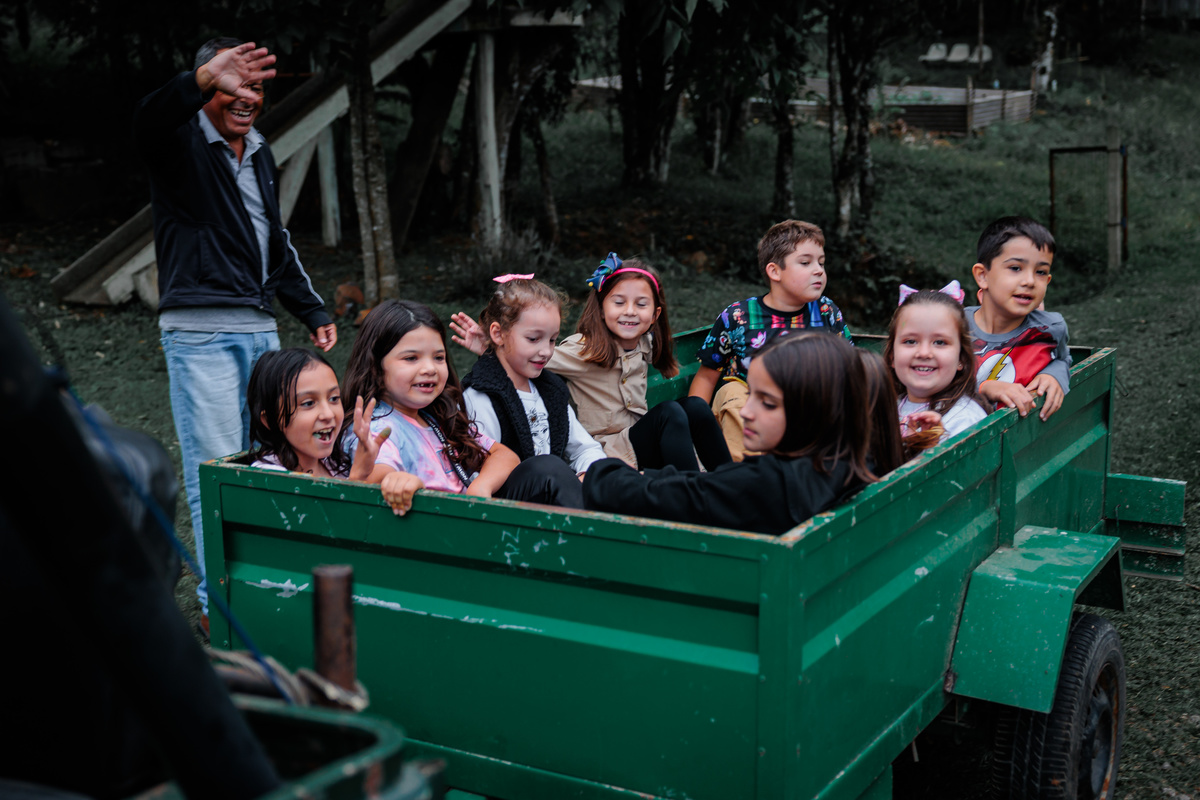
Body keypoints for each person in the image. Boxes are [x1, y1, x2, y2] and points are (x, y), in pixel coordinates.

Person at [133, 38, 337, 623]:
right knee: (219, 472)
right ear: (207, 89)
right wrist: (196, 80)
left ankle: (272, 590)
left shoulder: (261, 153)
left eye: (254, 87)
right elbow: (145, 121)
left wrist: (312, 309)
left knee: (276, 460)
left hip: (259, 330)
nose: (246, 97)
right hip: (200, 332)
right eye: (231, 85)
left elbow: (274, 240)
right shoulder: (178, 141)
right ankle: (220, 608)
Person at [584, 333, 892, 536]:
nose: (746, 411)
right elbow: (711, 485)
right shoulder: (852, 459)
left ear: (817, 410)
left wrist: (602, 473)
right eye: (750, 395)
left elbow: (681, 498)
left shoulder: (773, 484)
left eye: (767, 403)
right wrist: (650, 475)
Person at [341, 300, 580, 516]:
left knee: (547, 469)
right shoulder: (376, 427)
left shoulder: (438, 416)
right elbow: (377, 474)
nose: (430, 368)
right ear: (376, 366)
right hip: (438, 532)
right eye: (411, 358)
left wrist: (481, 486)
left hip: (470, 516)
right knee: (549, 470)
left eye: (438, 357)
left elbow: (505, 455)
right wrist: (400, 481)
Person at [535, 254, 730, 472]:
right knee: (669, 414)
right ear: (601, 308)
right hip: (610, 452)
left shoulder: (645, 343)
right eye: (619, 302)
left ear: (655, 314)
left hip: (643, 440)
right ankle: (688, 495)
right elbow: (535, 354)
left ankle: (731, 482)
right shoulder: (583, 349)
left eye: (641, 304)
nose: (630, 311)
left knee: (695, 407)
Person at [689, 220, 853, 460]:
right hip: (752, 408)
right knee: (733, 392)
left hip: (807, 408)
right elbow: (706, 375)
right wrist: (694, 428)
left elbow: (850, 368)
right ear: (774, 271)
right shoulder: (738, 316)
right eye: (806, 263)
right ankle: (740, 472)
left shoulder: (826, 311)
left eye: (821, 262)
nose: (818, 270)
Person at [448, 275, 606, 509]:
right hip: (507, 506)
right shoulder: (481, 396)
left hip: (553, 494)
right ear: (498, 334)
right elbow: (476, 472)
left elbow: (586, 448)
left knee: (610, 471)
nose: (545, 351)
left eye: (552, 340)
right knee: (548, 467)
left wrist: (585, 474)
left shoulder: (550, 390)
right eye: (533, 339)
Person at [967, 216, 1070, 421]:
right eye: (1015, 268)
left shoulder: (1049, 329)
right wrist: (984, 387)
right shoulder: (953, 327)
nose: (1030, 281)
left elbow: (1063, 359)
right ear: (982, 276)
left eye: (1040, 272)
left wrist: (1054, 374)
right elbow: (933, 384)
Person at [245, 348, 389, 479]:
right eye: (308, 403)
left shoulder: (334, 463)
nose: (328, 414)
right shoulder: (268, 477)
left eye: (334, 398)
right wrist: (358, 477)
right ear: (271, 419)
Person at [885, 283, 990, 453]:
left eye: (940, 342)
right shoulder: (885, 408)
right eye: (910, 341)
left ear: (961, 358)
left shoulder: (965, 420)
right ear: (892, 355)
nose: (924, 353)